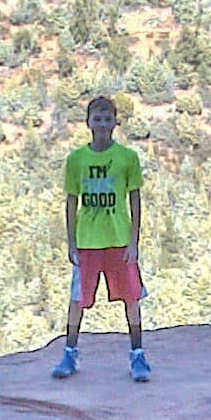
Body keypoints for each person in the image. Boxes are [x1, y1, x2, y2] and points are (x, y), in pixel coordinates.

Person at [53, 93, 150, 381]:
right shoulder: (76, 160)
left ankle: (138, 356)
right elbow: (71, 202)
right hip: (87, 240)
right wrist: (71, 242)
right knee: (77, 299)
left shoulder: (127, 158)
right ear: (88, 123)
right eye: (98, 119)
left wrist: (134, 240)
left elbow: (135, 200)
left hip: (119, 238)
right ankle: (69, 354)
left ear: (115, 122)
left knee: (131, 297)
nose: (103, 124)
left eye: (108, 119)